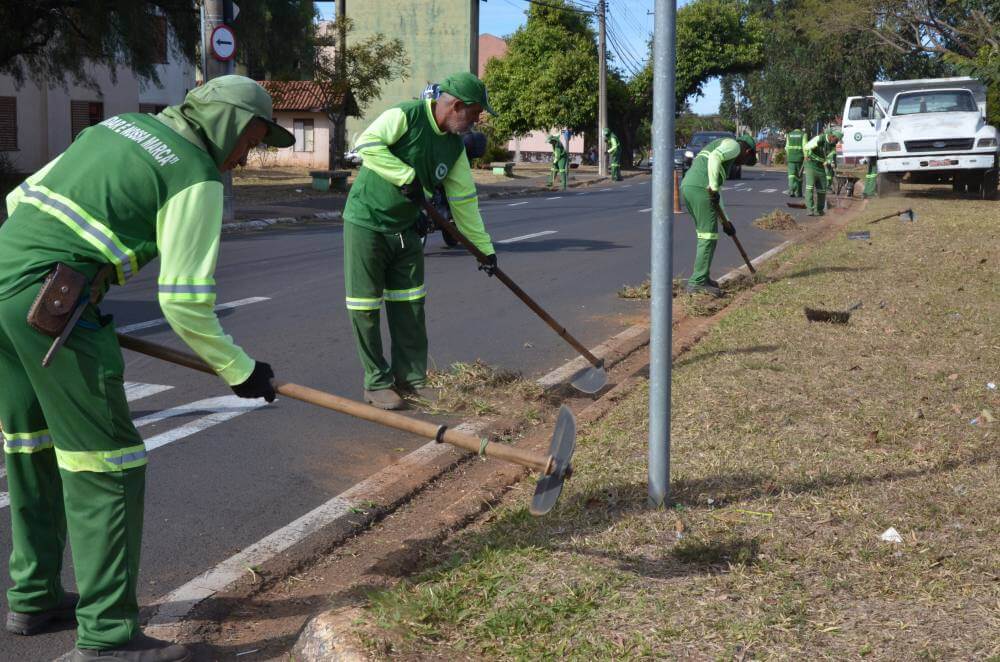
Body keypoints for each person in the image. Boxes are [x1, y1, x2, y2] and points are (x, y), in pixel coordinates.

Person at [0, 75, 291, 661]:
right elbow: (183, 299)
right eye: (250, 140)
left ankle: (33, 596)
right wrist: (240, 370)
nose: (245, 158)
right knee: (107, 464)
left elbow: (17, 201)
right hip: (51, 306)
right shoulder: (193, 173)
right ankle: (108, 639)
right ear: (229, 125)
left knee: (29, 447)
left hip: (6, 278)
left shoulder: (115, 126)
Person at [343, 72, 497, 410]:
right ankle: (377, 382)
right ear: (455, 105)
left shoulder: (455, 148)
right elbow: (367, 144)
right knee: (365, 307)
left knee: (410, 305)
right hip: (367, 222)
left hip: (408, 229)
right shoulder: (407, 114)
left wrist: (484, 250)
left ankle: (411, 379)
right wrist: (405, 175)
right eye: (473, 113)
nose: (475, 121)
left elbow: (464, 202)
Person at [679, 134, 757, 297]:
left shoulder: (720, 147)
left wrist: (726, 222)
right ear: (747, 151)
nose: (741, 164)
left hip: (690, 185)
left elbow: (717, 195)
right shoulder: (733, 145)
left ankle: (703, 277)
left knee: (706, 234)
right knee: (708, 236)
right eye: (746, 160)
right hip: (701, 188)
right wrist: (713, 187)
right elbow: (714, 158)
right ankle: (697, 282)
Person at [803, 128, 843, 216]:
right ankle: (810, 209)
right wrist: (807, 155)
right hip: (811, 164)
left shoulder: (833, 145)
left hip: (820, 167)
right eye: (837, 139)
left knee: (822, 189)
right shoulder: (820, 139)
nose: (837, 142)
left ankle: (819, 210)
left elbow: (831, 156)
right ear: (832, 136)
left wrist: (830, 162)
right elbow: (806, 147)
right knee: (810, 187)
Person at [785, 127, 806, 197]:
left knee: (791, 175)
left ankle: (791, 190)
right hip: (800, 158)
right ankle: (798, 192)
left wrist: (789, 155)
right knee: (799, 176)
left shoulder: (789, 135)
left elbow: (787, 147)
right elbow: (804, 147)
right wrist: (806, 156)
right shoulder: (803, 135)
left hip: (791, 158)